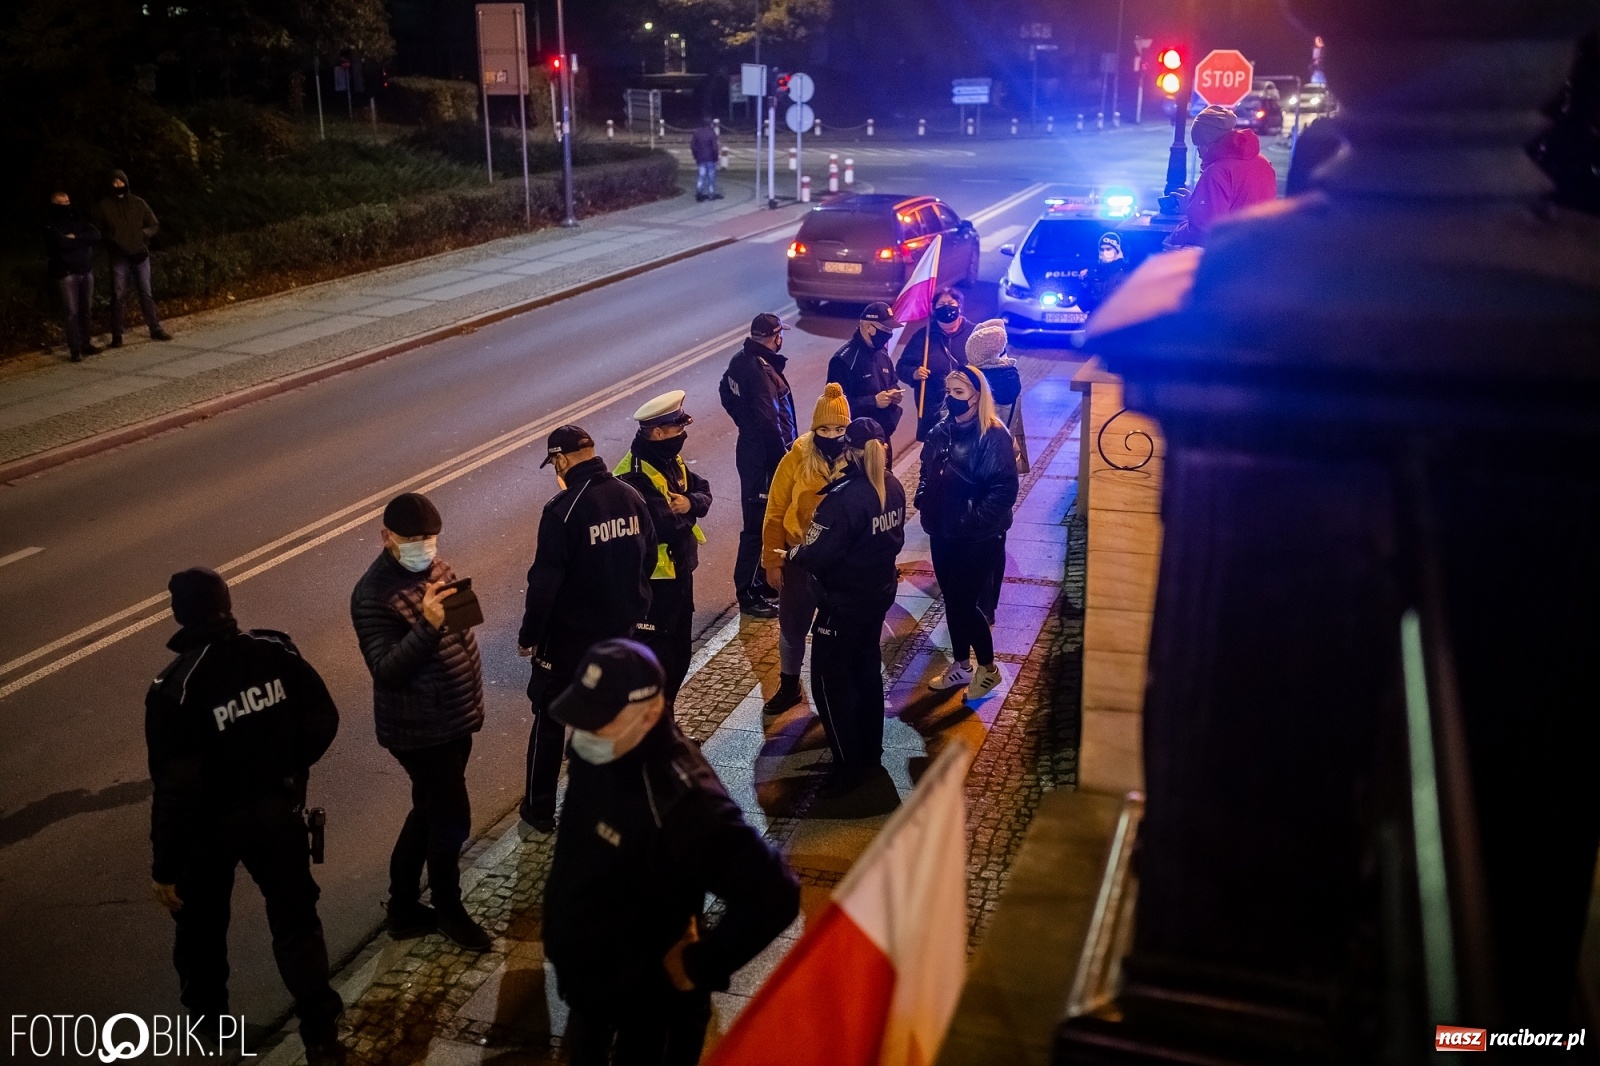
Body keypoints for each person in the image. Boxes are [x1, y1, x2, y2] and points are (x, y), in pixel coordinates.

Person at [543, 640, 800, 1065]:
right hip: (589, 986)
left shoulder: (683, 800)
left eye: (599, 721)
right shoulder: (601, 747)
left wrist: (699, 965)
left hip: (648, 1010)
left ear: (648, 714)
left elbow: (774, 892)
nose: (584, 733)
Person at [146, 568, 346, 1065]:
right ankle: (321, 1037)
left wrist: (165, 866)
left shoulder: (176, 688)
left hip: (210, 828)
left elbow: (176, 789)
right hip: (277, 812)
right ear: (227, 602)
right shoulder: (275, 653)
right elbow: (322, 718)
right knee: (297, 926)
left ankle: (210, 1031)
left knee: (201, 930)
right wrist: (288, 769)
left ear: (179, 613)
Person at [350, 492, 491, 951]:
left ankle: (403, 908)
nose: (424, 547)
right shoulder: (373, 595)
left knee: (428, 811)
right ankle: (448, 910)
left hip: (454, 716)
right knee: (451, 818)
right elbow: (387, 669)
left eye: (430, 538)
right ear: (387, 537)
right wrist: (427, 624)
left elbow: (460, 631)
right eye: (413, 540)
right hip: (419, 729)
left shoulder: (437, 569)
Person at [518, 425, 657, 835]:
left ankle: (538, 810)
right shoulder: (630, 496)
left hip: (569, 640)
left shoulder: (562, 510)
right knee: (610, 717)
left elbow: (544, 584)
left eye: (554, 463)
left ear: (561, 460)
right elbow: (647, 557)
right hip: (621, 632)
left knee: (550, 718)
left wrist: (530, 635)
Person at [788, 417, 907, 796]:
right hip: (877, 595)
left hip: (841, 604)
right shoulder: (892, 485)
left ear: (850, 452)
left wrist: (794, 553)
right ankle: (870, 752)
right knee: (866, 671)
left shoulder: (844, 499)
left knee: (829, 685)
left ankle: (847, 764)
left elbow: (818, 554)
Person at [918, 367, 1019, 700]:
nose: (951, 398)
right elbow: (926, 469)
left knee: (964, 603)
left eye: (959, 393)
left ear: (978, 396)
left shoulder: (993, 435)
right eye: (949, 391)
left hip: (978, 537)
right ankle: (961, 665)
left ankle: (988, 669)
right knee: (952, 599)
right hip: (942, 531)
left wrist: (972, 520)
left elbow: (1004, 489)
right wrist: (923, 498)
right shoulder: (940, 431)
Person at [616, 391, 713, 709]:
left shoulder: (669, 461)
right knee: (656, 660)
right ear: (658, 433)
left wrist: (689, 503)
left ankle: (665, 719)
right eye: (677, 428)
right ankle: (650, 725)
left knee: (680, 654)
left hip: (680, 572)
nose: (683, 433)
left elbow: (703, 490)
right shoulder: (634, 475)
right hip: (655, 584)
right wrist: (690, 510)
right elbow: (666, 526)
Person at [760, 382, 851, 716]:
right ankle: (789, 685)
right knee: (792, 626)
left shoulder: (857, 457)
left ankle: (835, 688)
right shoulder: (797, 456)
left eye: (840, 429)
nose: (832, 435)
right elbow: (775, 509)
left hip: (839, 563)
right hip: (799, 559)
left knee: (839, 630)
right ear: (815, 428)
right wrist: (772, 560)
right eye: (825, 429)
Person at [719, 312, 797, 618]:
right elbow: (769, 423)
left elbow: (725, 391)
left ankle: (763, 583)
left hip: (752, 452)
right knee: (758, 527)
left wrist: (743, 422)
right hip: (764, 462)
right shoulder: (761, 371)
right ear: (775, 337)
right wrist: (784, 461)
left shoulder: (740, 360)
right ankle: (749, 595)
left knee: (765, 522)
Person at [1166, 106, 1279, 248]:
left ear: (1208, 143)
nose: (1199, 153)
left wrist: (1174, 236)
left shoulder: (1217, 172)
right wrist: (1193, 205)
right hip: (1261, 250)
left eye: (1199, 145)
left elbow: (1204, 231)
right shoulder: (1263, 162)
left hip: (1231, 253)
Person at [93, 169, 171, 346]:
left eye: (121, 182)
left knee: (146, 293)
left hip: (140, 255)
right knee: (117, 295)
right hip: (118, 256)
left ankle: (154, 328)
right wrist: (112, 239)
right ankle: (117, 335)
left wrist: (142, 235)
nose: (118, 185)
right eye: (115, 182)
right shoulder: (104, 206)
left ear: (126, 183)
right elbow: (97, 230)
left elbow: (154, 224)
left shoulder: (138, 203)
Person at [895, 287, 977, 441]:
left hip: (969, 405)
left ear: (959, 306)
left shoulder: (974, 333)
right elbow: (901, 367)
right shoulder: (924, 336)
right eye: (941, 305)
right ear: (934, 309)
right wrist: (914, 373)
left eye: (950, 303)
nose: (946, 308)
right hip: (933, 407)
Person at [826, 302, 905, 456]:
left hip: (882, 437)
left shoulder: (882, 353)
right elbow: (835, 405)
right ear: (869, 327)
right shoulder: (843, 360)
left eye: (890, 330)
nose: (889, 334)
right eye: (885, 329)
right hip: (857, 445)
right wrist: (873, 401)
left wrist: (894, 393)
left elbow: (892, 381)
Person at [966, 319, 1028, 476]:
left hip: (979, 459)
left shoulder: (976, 380)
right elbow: (1016, 422)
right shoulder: (1010, 374)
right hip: (1005, 455)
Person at [45, 188, 101, 362]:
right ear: (53, 205)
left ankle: (86, 343)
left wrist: (75, 237)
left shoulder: (77, 218)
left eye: (67, 202)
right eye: (61, 203)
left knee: (86, 310)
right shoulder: (49, 223)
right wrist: (81, 240)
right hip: (66, 273)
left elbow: (95, 235)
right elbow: (60, 243)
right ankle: (75, 348)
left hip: (85, 269)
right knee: (71, 312)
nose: (65, 206)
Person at [1086, 232, 1132, 310]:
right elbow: (1085, 306)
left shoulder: (1126, 274)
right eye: (1102, 249)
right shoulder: (1096, 273)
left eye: (1108, 249)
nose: (1105, 252)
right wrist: (1085, 287)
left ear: (1117, 250)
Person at [690, 116, 721, 202]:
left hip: (700, 158)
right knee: (711, 176)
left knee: (701, 175)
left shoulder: (697, 133)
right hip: (710, 158)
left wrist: (695, 156)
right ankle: (711, 194)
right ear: (710, 124)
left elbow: (693, 146)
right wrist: (716, 157)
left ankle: (699, 191)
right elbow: (714, 148)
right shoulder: (712, 134)